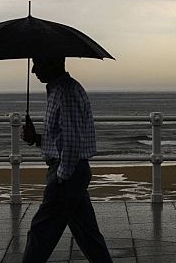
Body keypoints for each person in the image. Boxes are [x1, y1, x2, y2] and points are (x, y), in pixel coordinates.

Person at [21, 57, 112, 263]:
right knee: (88, 235)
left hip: (68, 172)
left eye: (38, 62)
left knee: (41, 231)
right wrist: (35, 138)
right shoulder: (59, 91)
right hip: (71, 171)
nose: (34, 69)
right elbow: (61, 138)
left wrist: (62, 177)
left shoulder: (67, 93)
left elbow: (72, 141)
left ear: (54, 62)